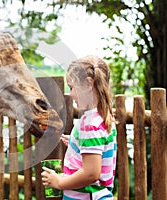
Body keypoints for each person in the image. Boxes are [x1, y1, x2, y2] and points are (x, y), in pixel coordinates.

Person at [41, 55, 117, 199]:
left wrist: (59, 183)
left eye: (72, 87)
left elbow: (91, 173)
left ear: (89, 84)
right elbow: (99, 147)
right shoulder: (100, 117)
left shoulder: (90, 126)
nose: (70, 94)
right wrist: (76, 142)